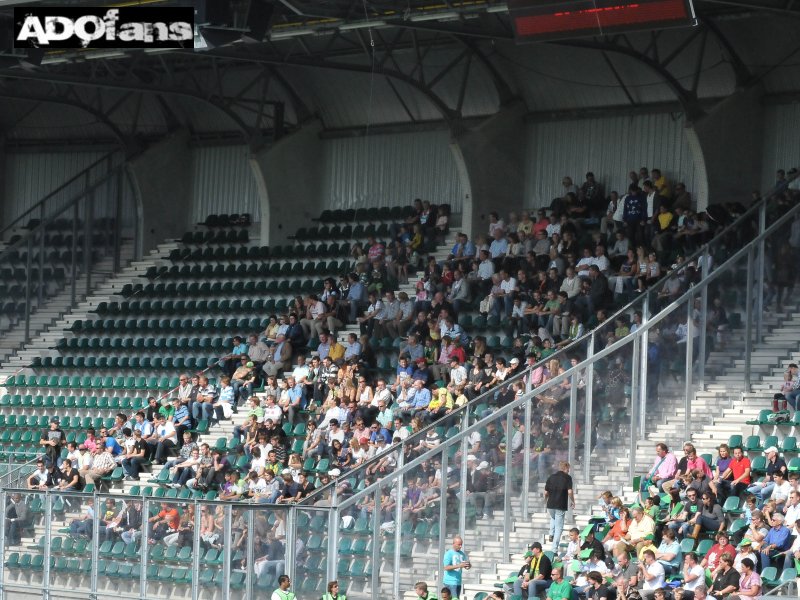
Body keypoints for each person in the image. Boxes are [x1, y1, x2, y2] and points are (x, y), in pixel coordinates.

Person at [544, 461, 575, 552]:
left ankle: (551, 534)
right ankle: (554, 549)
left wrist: (545, 501)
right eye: (568, 468)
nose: (569, 471)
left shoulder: (551, 477)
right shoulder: (567, 478)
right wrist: (573, 501)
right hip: (560, 504)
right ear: (566, 468)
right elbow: (569, 492)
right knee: (559, 527)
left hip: (550, 504)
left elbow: (546, 492)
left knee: (553, 518)